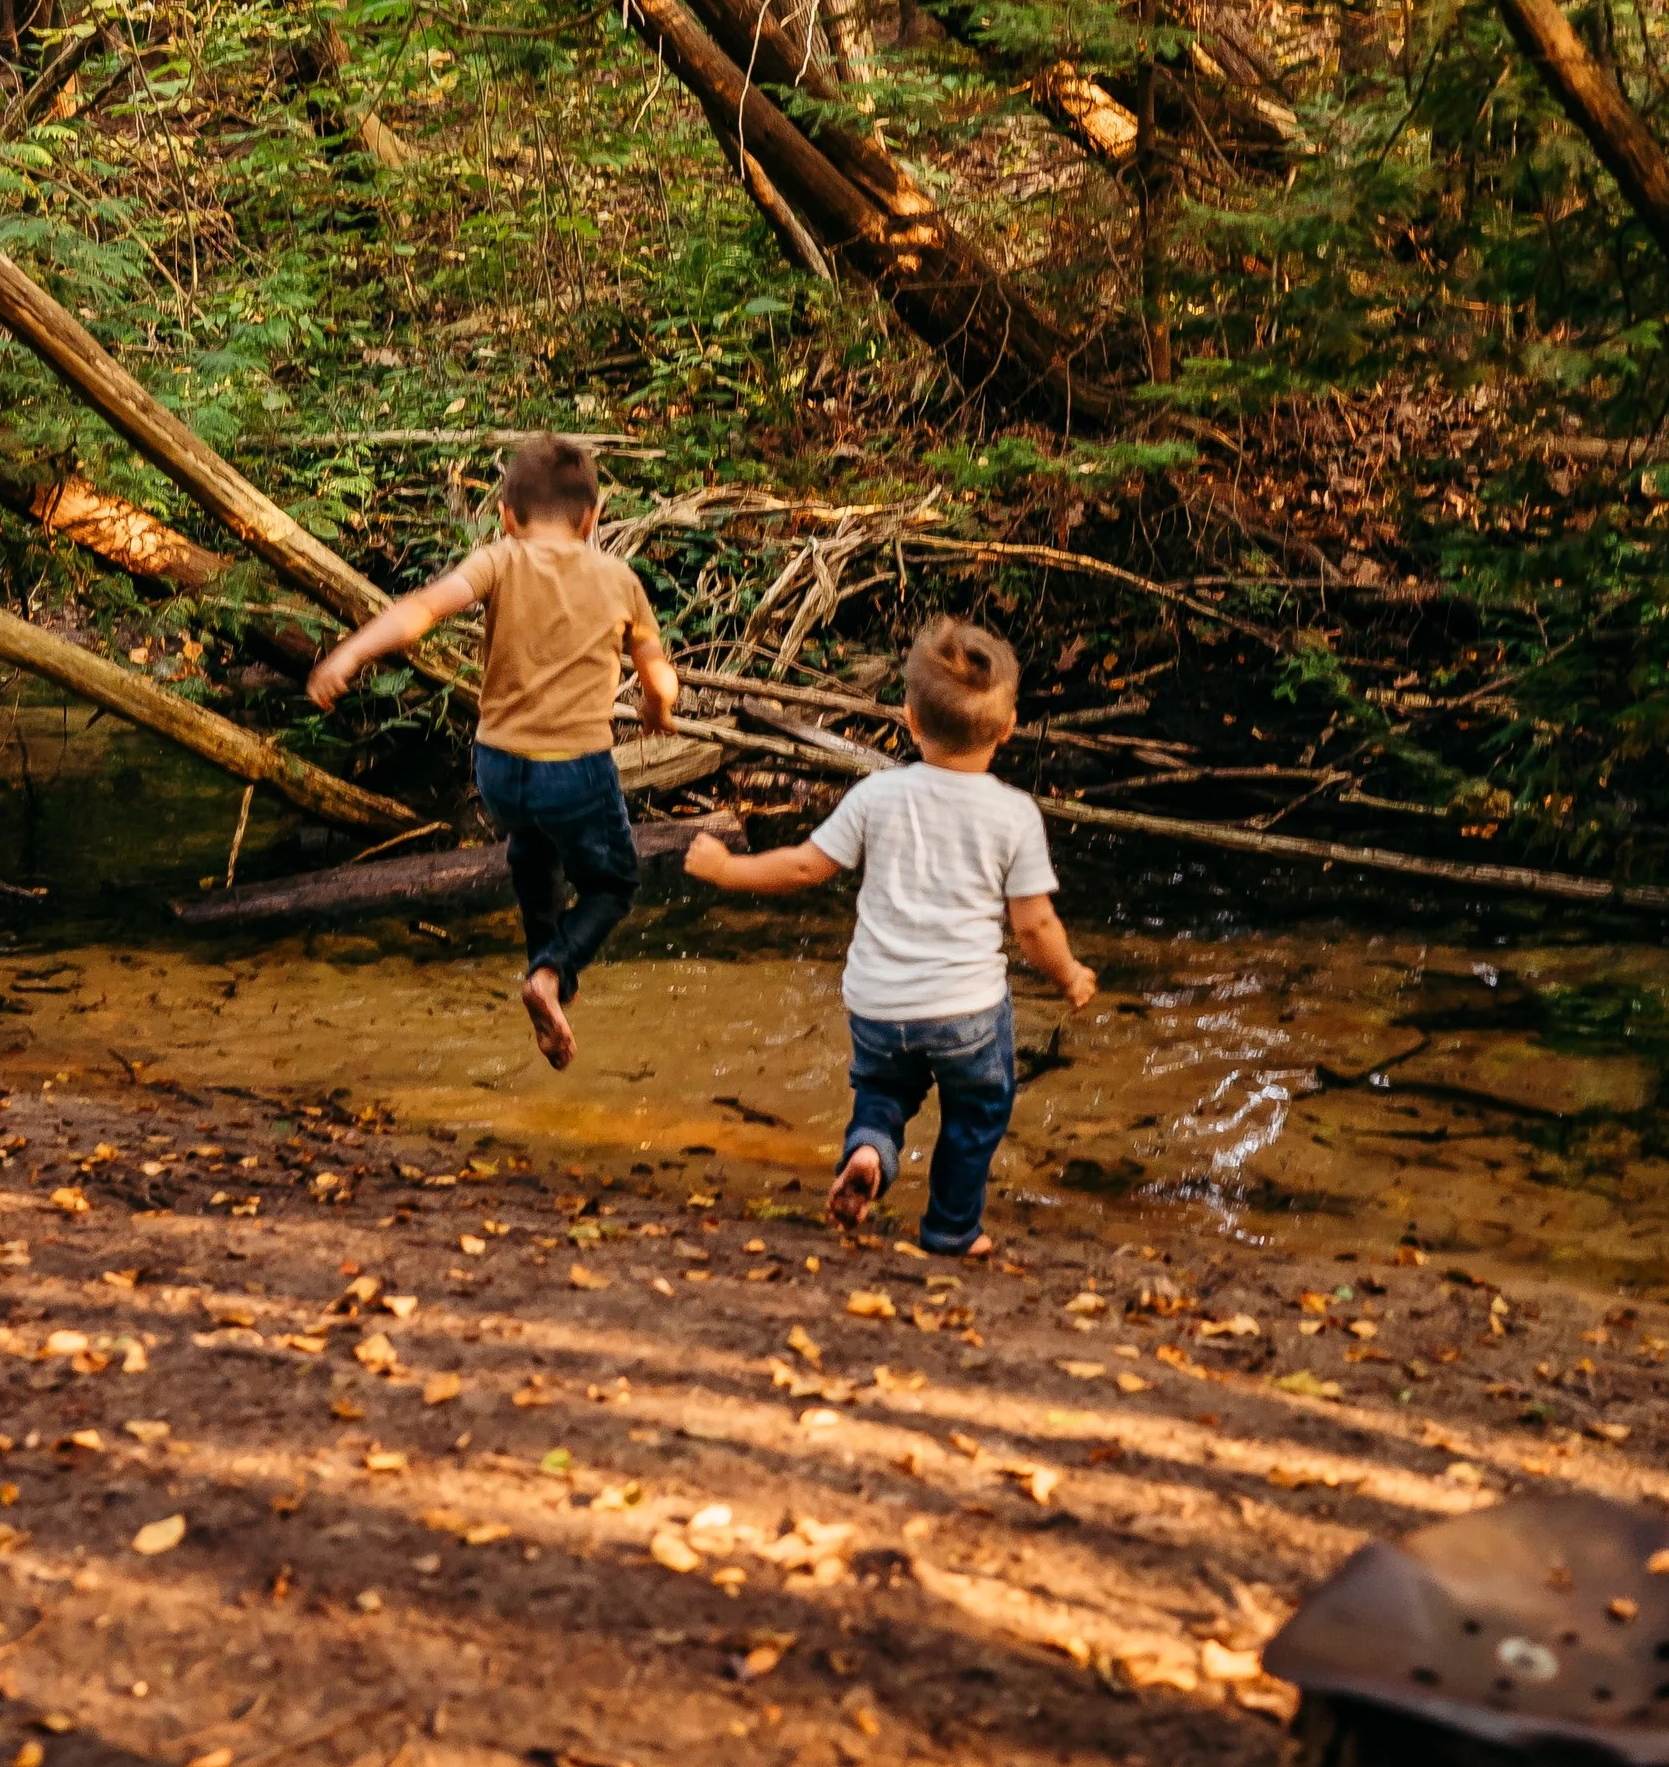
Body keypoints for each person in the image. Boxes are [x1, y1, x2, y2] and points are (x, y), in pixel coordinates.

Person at [684, 617, 1097, 1255]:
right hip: (966, 1015)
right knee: (975, 1114)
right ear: (1009, 728)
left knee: (882, 1093)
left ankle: (871, 1153)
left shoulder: (877, 795)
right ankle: (952, 1230)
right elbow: (1034, 924)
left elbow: (803, 866)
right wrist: (1068, 974)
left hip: (878, 1007)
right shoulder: (1014, 814)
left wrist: (727, 868)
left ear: (909, 717)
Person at [306, 433, 680, 1067]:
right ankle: (551, 975)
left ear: (506, 515)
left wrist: (349, 652)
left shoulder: (498, 562)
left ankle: (546, 974)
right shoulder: (620, 579)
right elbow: (655, 669)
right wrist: (657, 710)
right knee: (613, 883)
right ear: (593, 517)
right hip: (577, 769)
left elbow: (423, 609)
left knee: (532, 856)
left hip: (501, 769)